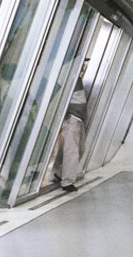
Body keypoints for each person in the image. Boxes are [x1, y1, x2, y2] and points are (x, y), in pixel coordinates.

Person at [52, 59, 89, 192]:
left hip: (78, 118)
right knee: (72, 150)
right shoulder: (69, 79)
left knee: (78, 149)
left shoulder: (77, 80)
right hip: (72, 118)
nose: (83, 67)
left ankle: (59, 173)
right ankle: (67, 182)